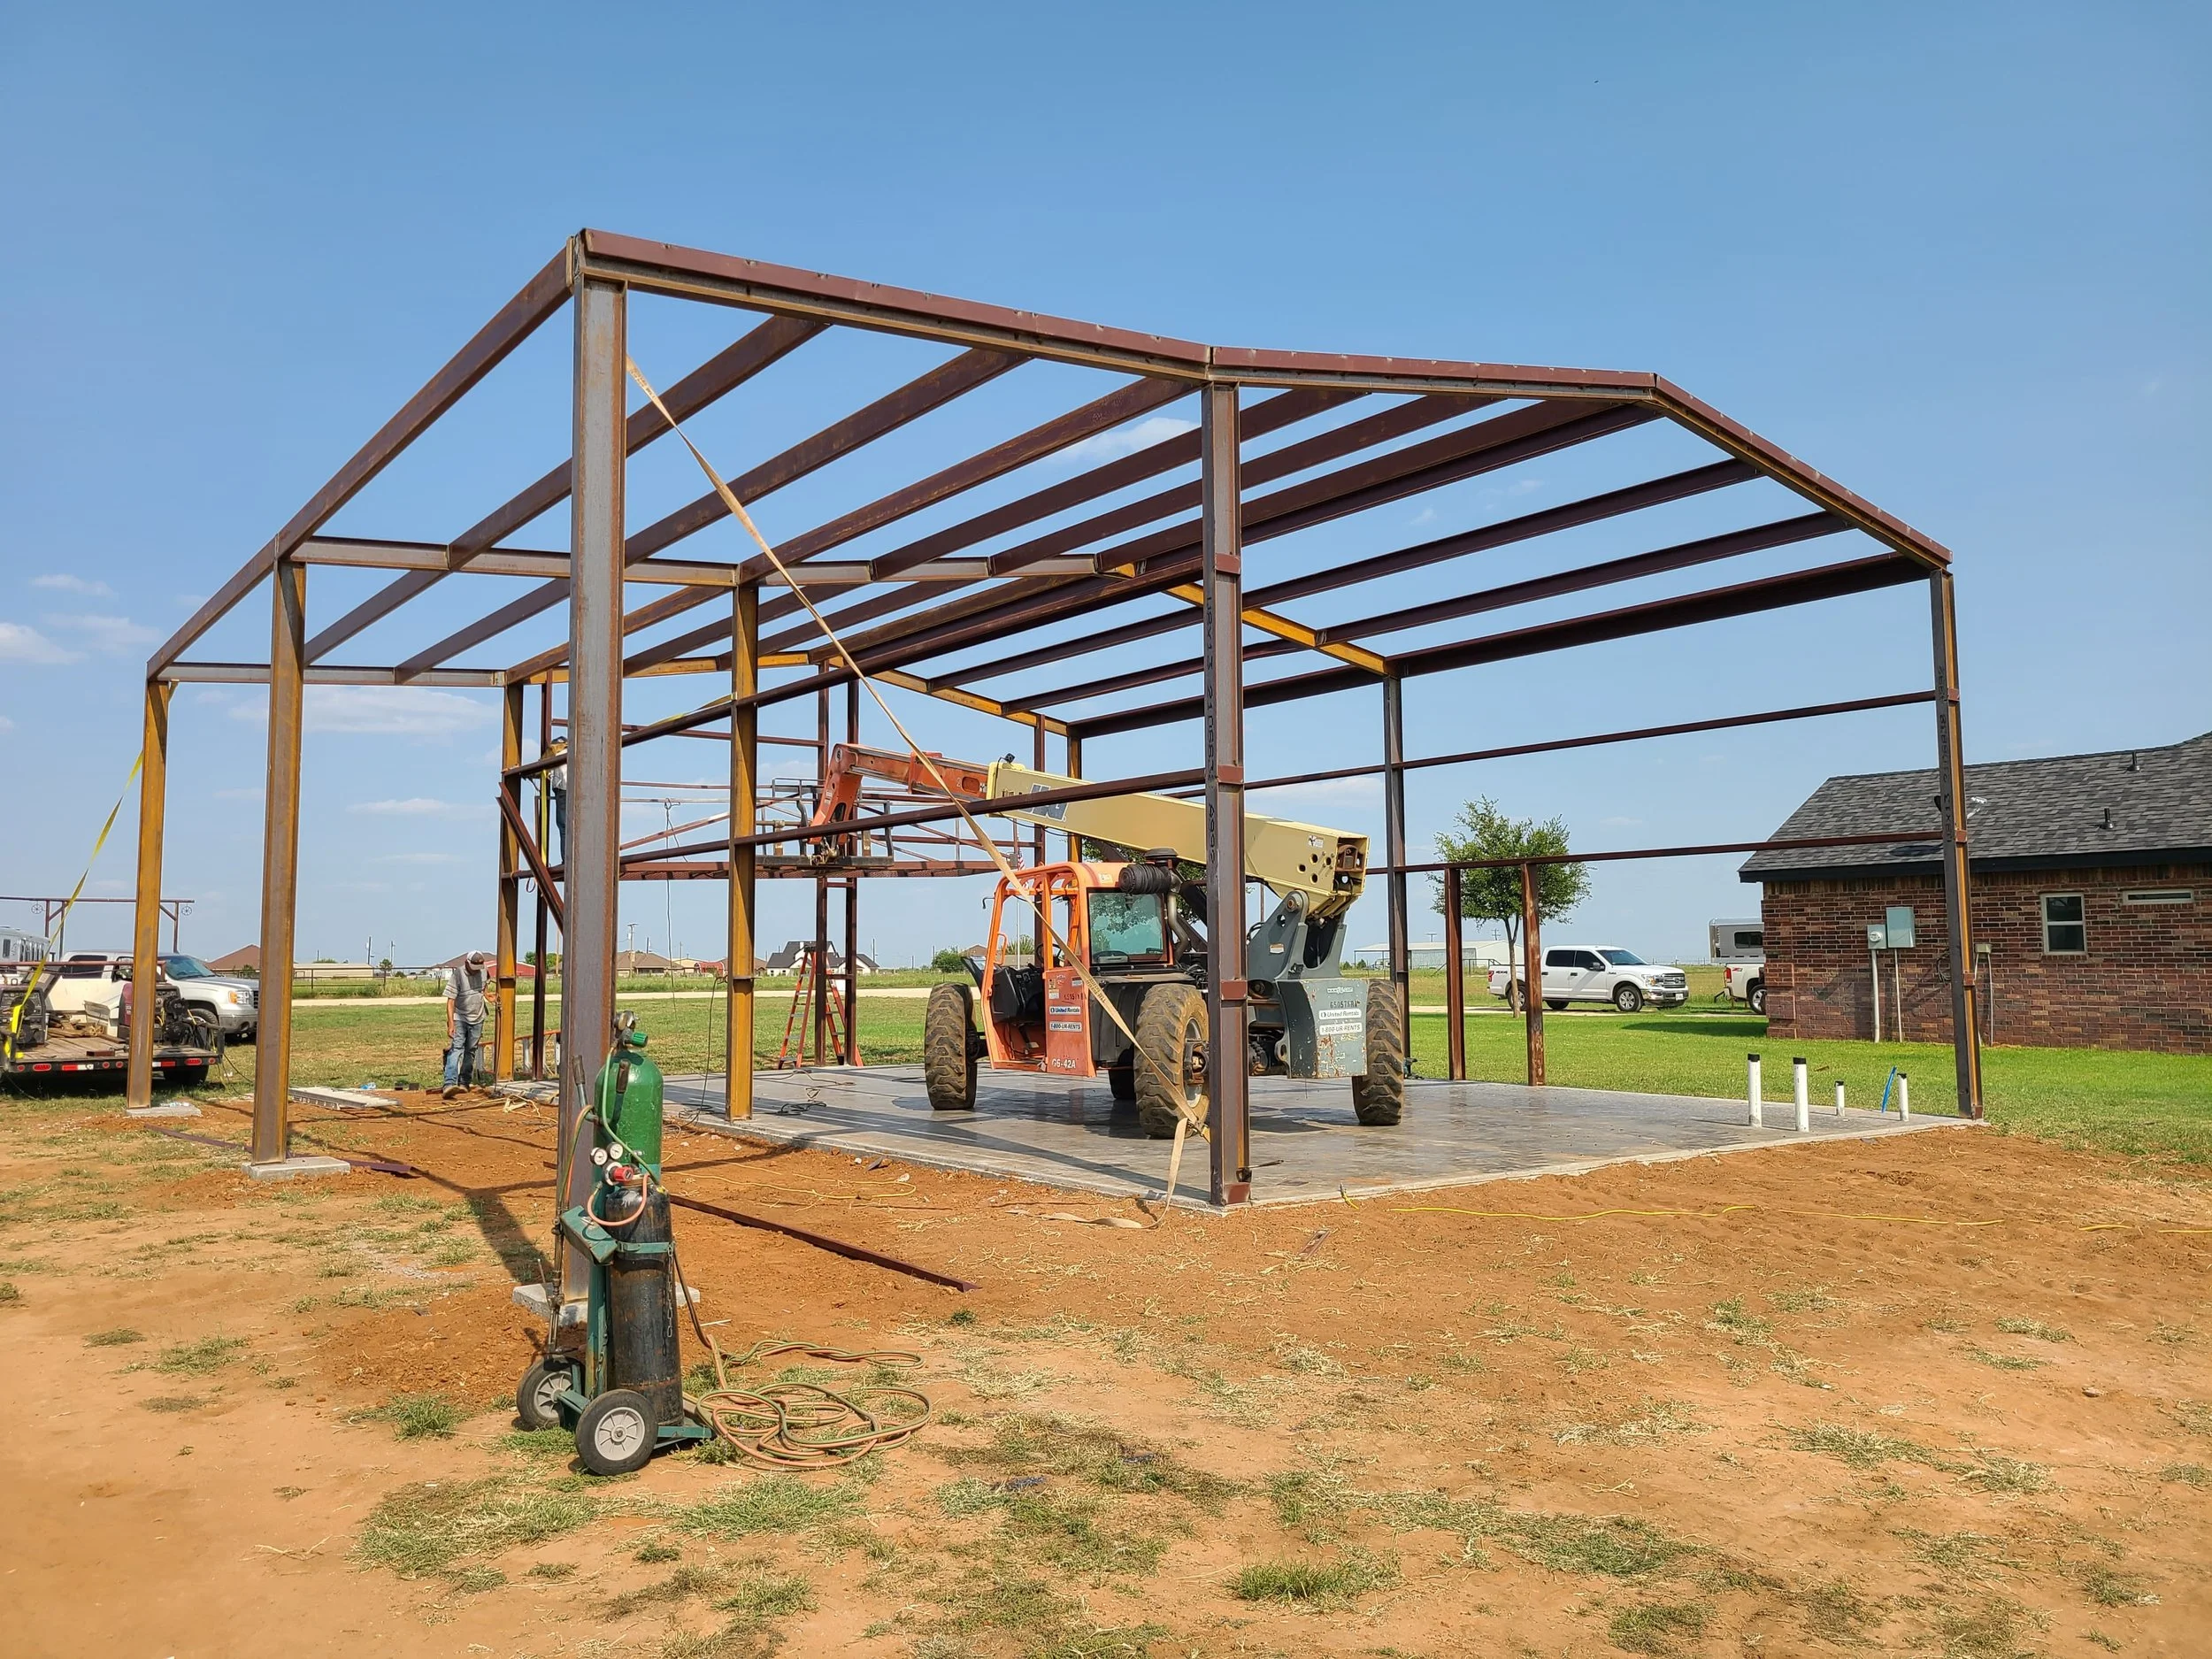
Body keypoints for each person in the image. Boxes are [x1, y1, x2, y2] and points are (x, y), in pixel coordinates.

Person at [442, 950, 490, 1098]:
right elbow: (450, 1001)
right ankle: (449, 1084)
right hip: (461, 1017)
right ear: (466, 963)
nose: (476, 971)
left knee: (471, 1050)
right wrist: (451, 1024)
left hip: (478, 1017)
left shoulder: (483, 970)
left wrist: (490, 997)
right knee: (457, 1048)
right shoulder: (458, 974)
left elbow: (484, 990)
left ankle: (464, 1083)